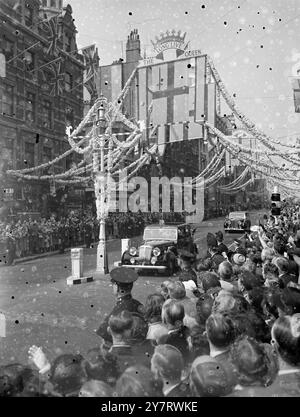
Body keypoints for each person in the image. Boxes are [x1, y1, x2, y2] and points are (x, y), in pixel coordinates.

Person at [96, 267, 144, 345]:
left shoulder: (118, 311)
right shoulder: (138, 304)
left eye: (113, 284)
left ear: (116, 287)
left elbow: (105, 336)